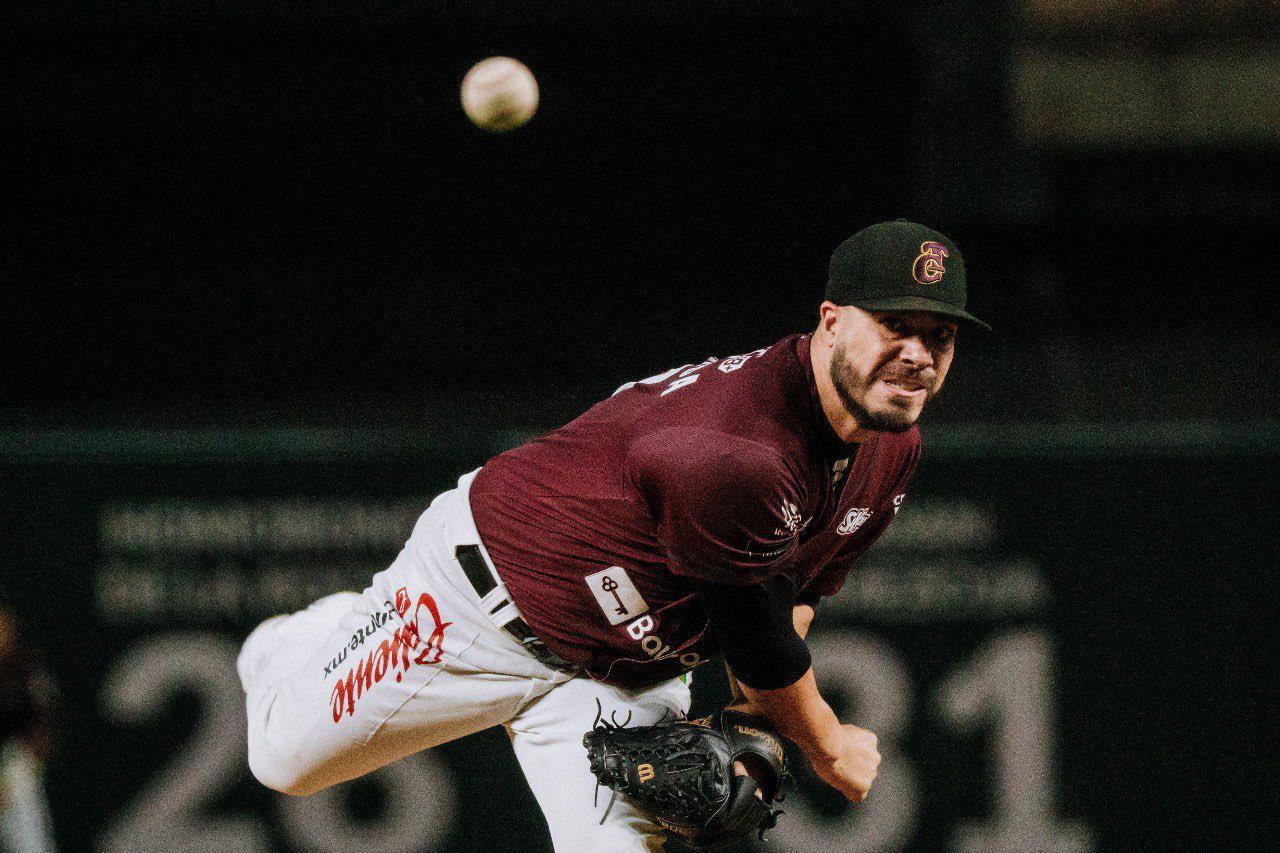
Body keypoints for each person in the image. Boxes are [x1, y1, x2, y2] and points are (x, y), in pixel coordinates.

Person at [239, 219, 987, 851]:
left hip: (620, 674)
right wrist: (826, 744)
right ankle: (318, 628)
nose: (918, 354)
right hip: (477, 606)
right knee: (281, 757)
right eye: (896, 325)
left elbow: (794, 588)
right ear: (831, 320)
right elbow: (760, 647)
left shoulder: (892, 445)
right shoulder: (740, 453)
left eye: (940, 336)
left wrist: (752, 719)